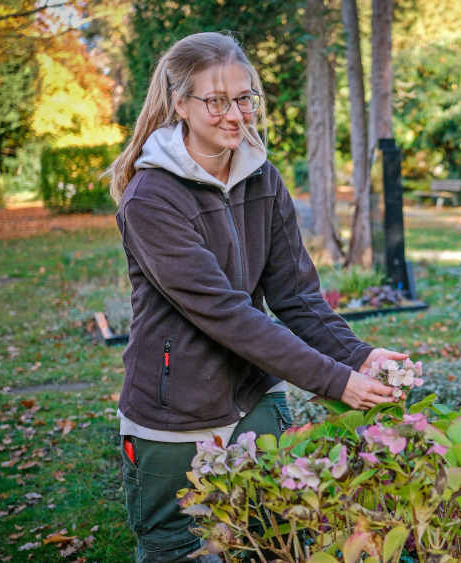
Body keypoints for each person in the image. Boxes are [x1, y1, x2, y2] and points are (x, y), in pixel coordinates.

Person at [107, 32, 403, 562]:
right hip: (175, 416)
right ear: (181, 104)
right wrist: (338, 381)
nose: (234, 115)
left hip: (254, 401)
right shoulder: (151, 199)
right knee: (183, 551)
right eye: (216, 101)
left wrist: (359, 356)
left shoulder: (262, 178)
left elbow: (297, 298)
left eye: (244, 99)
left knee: (273, 543)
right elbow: (226, 315)